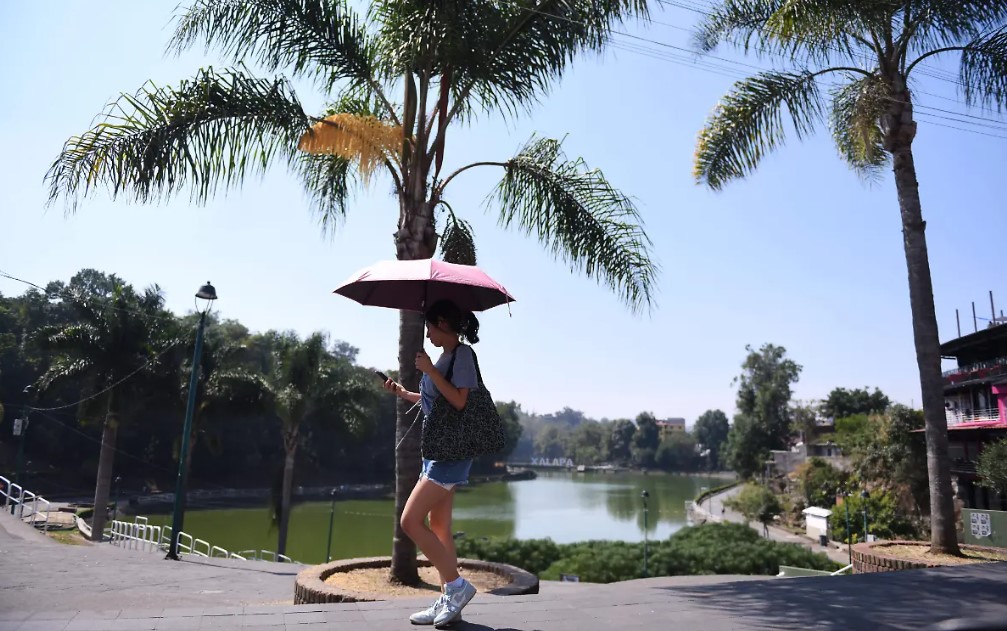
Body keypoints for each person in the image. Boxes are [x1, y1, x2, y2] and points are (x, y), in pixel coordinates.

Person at [382, 299, 481, 627]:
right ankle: (449, 603)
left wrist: (430, 371)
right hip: (435, 451)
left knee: (409, 522)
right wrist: (404, 393)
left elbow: (459, 400)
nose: (427, 333)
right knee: (439, 528)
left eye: (430, 327)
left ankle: (456, 586)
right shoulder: (442, 358)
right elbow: (432, 399)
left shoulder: (462, 355)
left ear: (443, 323)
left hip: (449, 453)